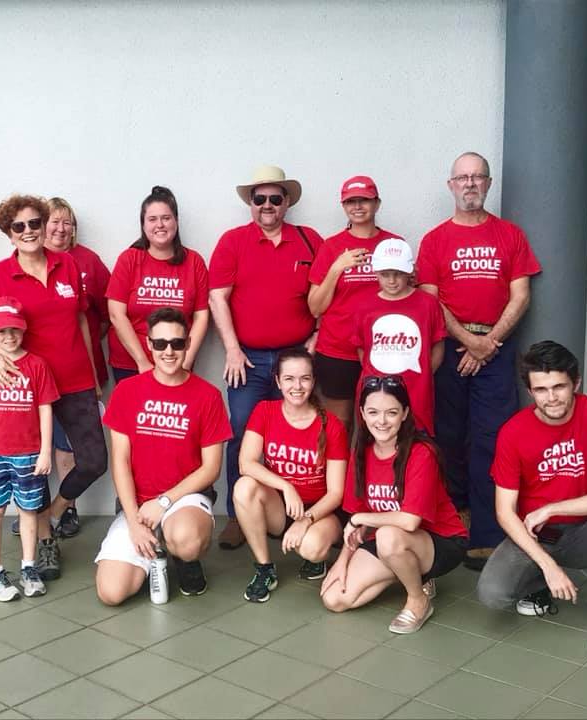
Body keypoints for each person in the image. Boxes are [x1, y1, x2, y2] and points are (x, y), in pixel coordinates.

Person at [0, 194, 107, 581]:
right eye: (19, 226)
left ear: (44, 225)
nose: (29, 231)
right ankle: (46, 542)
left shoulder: (68, 264)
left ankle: (55, 510)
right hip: (26, 389)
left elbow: (82, 320)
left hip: (76, 380)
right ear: (8, 233)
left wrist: (94, 372)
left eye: (34, 223)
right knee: (35, 469)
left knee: (94, 461)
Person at [416, 151, 542, 569]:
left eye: (477, 177)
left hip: (498, 351)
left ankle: (489, 531)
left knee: (494, 440)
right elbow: (430, 299)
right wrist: (470, 342)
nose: (470, 184)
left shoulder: (510, 235)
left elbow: (521, 296)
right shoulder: (435, 240)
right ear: (450, 185)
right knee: (448, 437)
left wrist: (489, 343)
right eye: (462, 177)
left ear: (488, 184)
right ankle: (457, 518)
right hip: (450, 349)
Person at [477, 341, 587, 659]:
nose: (551, 397)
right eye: (541, 389)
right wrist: (548, 565)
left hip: (586, 533)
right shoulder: (513, 432)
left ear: (575, 383)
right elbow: (504, 512)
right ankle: (540, 582)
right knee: (493, 595)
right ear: (530, 391)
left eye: (559, 387)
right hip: (536, 536)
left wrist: (551, 508)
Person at [209, 165, 324, 549]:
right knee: (242, 432)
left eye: (276, 198)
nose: (268, 205)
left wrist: (318, 337)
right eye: (260, 199)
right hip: (249, 361)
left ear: (287, 202)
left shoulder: (309, 241)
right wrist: (231, 349)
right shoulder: (233, 241)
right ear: (251, 204)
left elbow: (330, 294)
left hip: (297, 359)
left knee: (300, 434)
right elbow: (217, 297)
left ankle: (305, 515)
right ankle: (238, 515)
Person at [95, 308, 232, 604]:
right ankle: (154, 552)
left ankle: (184, 560)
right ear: (149, 344)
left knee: (186, 541)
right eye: (160, 343)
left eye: (177, 343)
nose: (169, 351)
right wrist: (134, 523)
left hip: (184, 499)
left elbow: (211, 469)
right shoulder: (127, 391)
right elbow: (120, 462)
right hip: (139, 506)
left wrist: (164, 501)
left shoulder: (208, 395)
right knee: (111, 593)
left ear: (188, 343)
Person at [321, 375, 468, 634]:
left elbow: (409, 521)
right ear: (362, 414)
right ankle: (414, 574)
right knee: (334, 599)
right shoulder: (361, 452)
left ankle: (418, 599)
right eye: (373, 412)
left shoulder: (421, 453)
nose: (382, 421)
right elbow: (358, 517)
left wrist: (360, 520)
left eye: (391, 412)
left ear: (405, 413)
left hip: (440, 541)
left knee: (388, 537)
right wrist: (342, 561)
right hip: (389, 541)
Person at [0, 298, 59, 600]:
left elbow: (45, 409)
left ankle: (29, 567)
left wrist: (45, 451)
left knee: (29, 511)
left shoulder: (37, 365)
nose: (9, 336)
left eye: (14, 329)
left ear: (24, 328)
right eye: (1, 330)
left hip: (28, 453)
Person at [233, 348, 348, 603]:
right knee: (244, 486)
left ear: (313, 381)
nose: (297, 386)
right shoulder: (265, 410)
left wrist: (306, 519)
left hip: (320, 512)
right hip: (281, 505)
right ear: (277, 381)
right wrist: (286, 487)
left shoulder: (332, 426)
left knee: (312, 548)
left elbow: (336, 493)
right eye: (289, 379)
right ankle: (265, 569)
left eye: (305, 378)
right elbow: (246, 463)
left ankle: (316, 560)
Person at [26, 196, 111, 538]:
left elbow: (100, 314)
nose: (61, 228)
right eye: (54, 221)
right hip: (35, 382)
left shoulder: (85, 262)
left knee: (80, 452)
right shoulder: (20, 266)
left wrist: (87, 363)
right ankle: (38, 523)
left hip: (78, 377)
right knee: (37, 452)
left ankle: (61, 509)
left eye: (67, 222)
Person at [308, 176, 403, 432]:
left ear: (377, 204)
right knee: (339, 426)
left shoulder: (394, 244)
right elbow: (315, 308)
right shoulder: (331, 246)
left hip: (385, 351)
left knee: (381, 424)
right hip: (338, 350)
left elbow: (408, 298)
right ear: (343, 206)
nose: (358, 206)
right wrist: (337, 267)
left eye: (364, 200)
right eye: (351, 201)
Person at [107, 186, 209, 382]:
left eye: (166, 218)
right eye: (152, 219)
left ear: (176, 221)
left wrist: (185, 362)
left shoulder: (194, 262)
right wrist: (142, 362)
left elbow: (202, 316)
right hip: (132, 364)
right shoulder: (129, 259)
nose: (160, 225)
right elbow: (116, 314)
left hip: (176, 363)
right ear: (143, 225)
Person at [350, 238, 446, 435]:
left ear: (410, 271)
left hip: (417, 393)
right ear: (376, 272)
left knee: (416, 440)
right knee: (376, 440)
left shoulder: (428, 304)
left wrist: (423, 374)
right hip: (376, 392)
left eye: (398, 274)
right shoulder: (364, 306)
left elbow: (437, 346)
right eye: (385, 274)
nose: (392, 280)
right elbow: (362, 350)